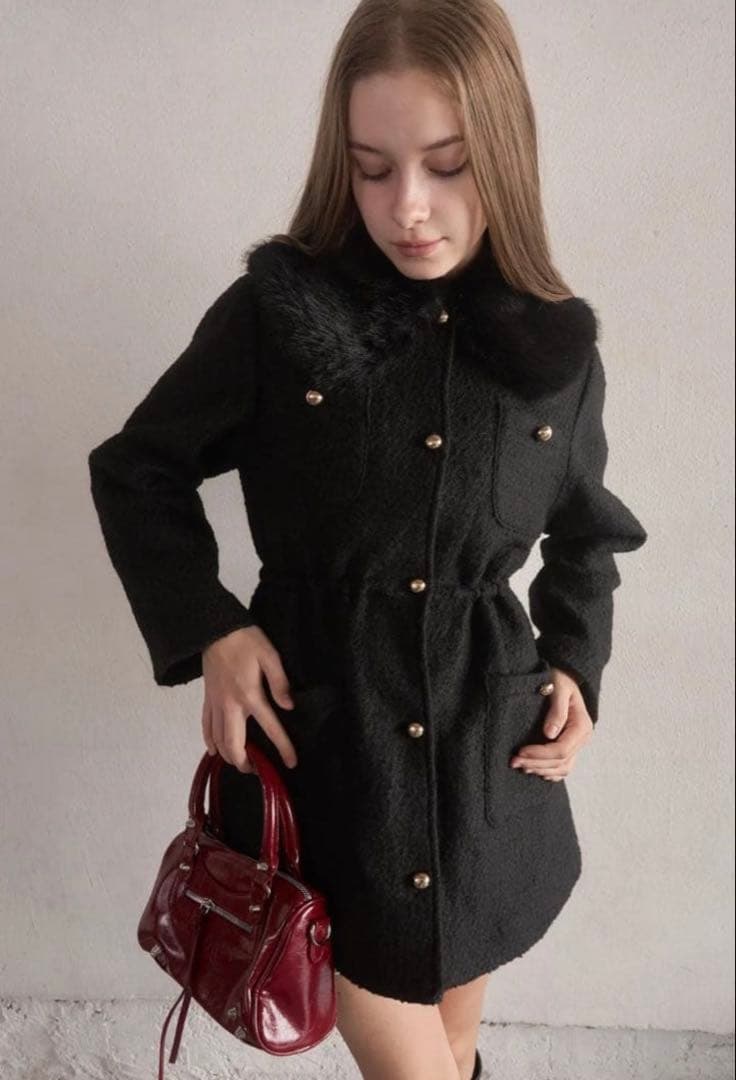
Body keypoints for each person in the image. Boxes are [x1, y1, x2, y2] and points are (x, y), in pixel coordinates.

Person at [87, 2, 648, 1078]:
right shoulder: (278, 316)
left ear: (503, 151)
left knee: (454, 1047)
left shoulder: (553, 345)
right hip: (334, 774)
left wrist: (578, 662)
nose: (409, 207)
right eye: (372, 169)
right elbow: (136, 470)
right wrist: (209, 628)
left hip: (489, 775)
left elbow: (589, 533)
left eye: (447, 164)